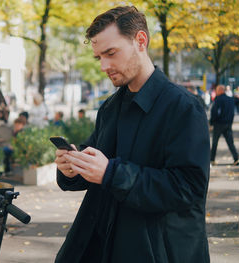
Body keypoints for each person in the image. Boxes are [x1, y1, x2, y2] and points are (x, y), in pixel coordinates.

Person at [54, 6, 210, 263]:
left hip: (158, 251)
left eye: (111, 53)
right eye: (99, 57)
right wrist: (74, 167)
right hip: (104, 246)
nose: (104, 65)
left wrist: (111, 173)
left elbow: (188, 189)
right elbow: (99, 167)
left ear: (140, 41)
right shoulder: (110, 107)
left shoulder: (183, 107)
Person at [210, 84, 239, 165]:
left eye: (216, 90)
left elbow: (214, 112)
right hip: (228, 124)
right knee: (230, 142)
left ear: (220, 90)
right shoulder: (230, 99)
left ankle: (212, 159)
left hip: (219, 124)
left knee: (215, 142)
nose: (216, 92)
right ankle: (236, 158)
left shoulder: (218, 99)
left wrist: (211, 122)